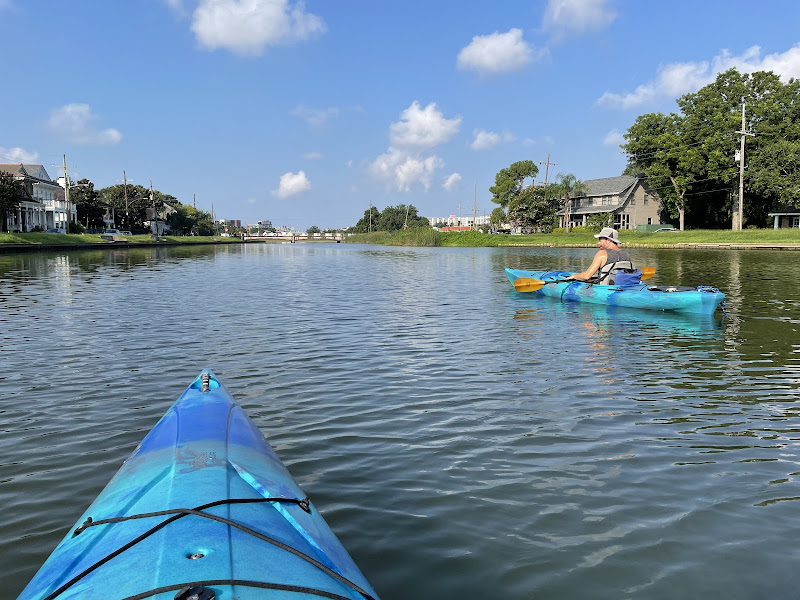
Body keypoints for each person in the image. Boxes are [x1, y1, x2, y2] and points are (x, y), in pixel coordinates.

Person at [567, 227, 636, 284]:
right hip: (622, 287)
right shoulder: (626, 253)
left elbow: (586, 276)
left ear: (609, 240)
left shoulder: (602, 253)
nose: (598, 243)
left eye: (600, 240)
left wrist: (573, 276)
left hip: (604, 289)